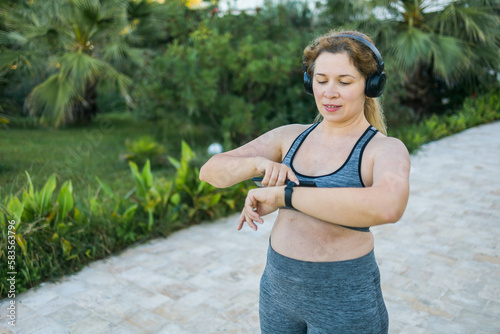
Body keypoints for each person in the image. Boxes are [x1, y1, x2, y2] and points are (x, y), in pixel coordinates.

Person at [199, 30, 410, 334]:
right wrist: (258, 164)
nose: (330, 92)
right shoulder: (290, 137)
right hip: (277, 293)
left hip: (345, 302)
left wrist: (285, 196)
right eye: (321, 80)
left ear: (371, 85)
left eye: (345, 82)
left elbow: (389, 206)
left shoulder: (383, 149)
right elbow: (211, 171)